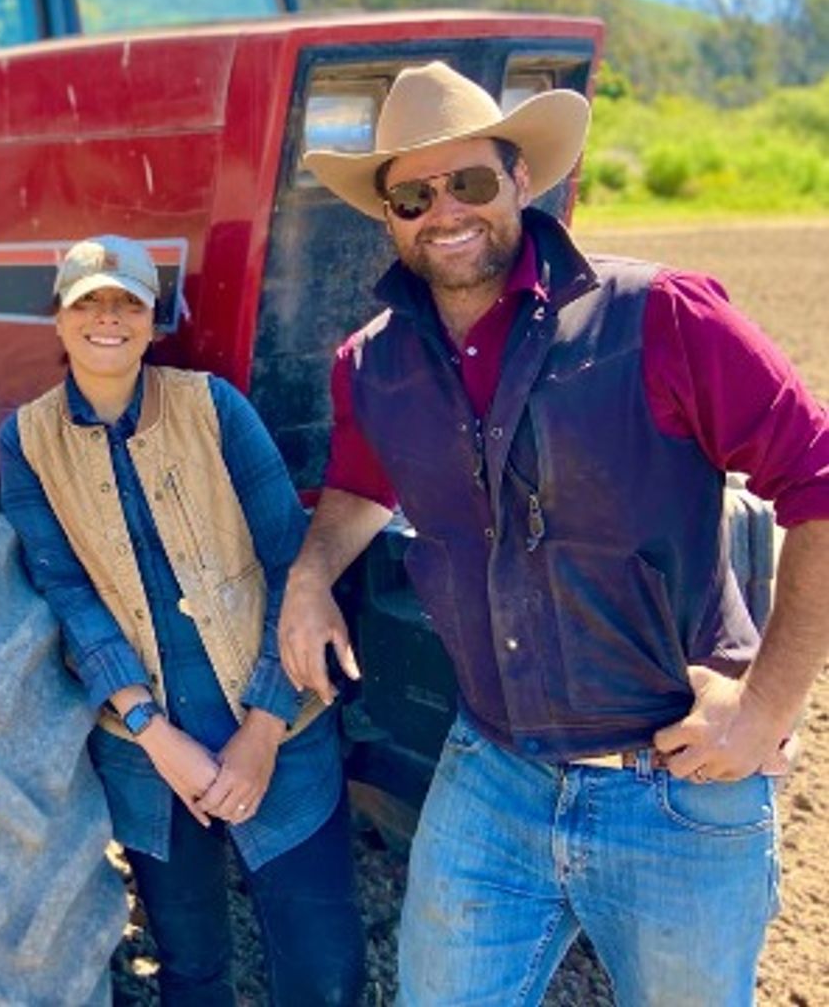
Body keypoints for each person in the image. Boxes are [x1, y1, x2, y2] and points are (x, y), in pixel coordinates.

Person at [278, 59, 829, 1005]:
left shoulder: (659, 316)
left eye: (471, 181)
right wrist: (310, 575)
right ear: (387, 215)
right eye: (413, 193)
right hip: (491, 776)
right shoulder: (371, 365)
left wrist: (767, 706)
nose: (443, 209)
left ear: (522, 181)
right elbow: (359, 486)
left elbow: (818, 481)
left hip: (675, 787)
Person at [0, 235, 363, 1006]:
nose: (107, 318)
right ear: (58, 320)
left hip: (282, 732)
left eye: (126, 303)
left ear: (153, 320)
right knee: (193, 969)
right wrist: (154, 735)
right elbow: (66, 592)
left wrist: (264, 731)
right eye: (86, 303)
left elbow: (291, 569)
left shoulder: (213, 407)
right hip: (147, 755)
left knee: (322, 970)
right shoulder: (26, 439)